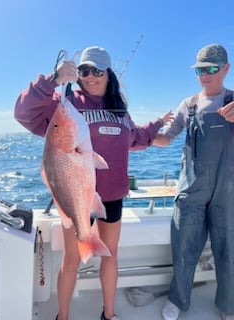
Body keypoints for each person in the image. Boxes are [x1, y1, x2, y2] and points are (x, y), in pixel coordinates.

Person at [14, 46, 173, 320]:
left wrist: (158, 124)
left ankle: (108, 315)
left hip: (111, 196)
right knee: (72, 259)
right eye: (84, 71)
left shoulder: (119, 111)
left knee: (110, 256)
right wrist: (53, 79)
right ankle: (62, 316)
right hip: (74, 195)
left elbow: (135, 137)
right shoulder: (65, 104)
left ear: (108, 73)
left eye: (96, 71)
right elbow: (23, 112)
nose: (89, 77)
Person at [153, 43, 234, 320]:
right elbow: (166, 138)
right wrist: (135, 137)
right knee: (184, 246)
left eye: (211, 68)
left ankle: (228, 306)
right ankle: (178, 300)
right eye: (200, 69)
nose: (205, 74)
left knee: (229, 250)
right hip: (192, 190)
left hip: (228, 191)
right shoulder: (188, 105)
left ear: (226, 68)